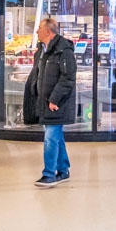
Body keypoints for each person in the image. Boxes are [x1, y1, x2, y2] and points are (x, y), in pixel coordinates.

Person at [25, 18, 77, 188]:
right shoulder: (41, 51)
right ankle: (63, 170)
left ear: (48, 31)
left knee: (50, 138)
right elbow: (37, 75)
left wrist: (54, 99)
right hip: (44, 101)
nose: (37, 31)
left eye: (39, 28)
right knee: (56, 136)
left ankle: (49, 174)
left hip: (57, 103)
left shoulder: (64, 51)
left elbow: (68, 78)